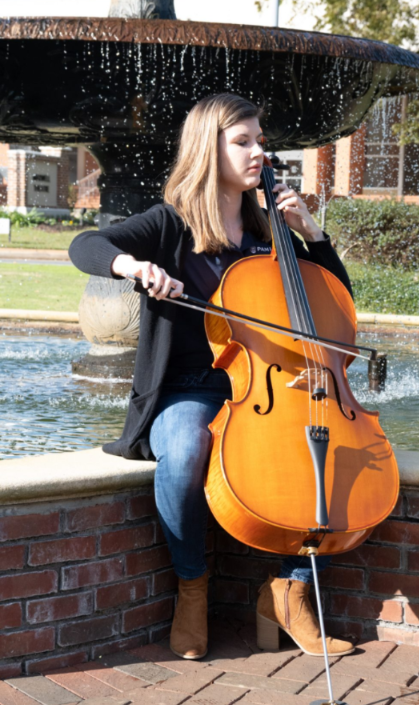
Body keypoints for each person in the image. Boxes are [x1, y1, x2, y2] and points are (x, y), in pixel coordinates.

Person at [69, 93, 355, 661]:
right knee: (183, 450)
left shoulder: (268, 224)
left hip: (275, 381)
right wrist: (134, 265)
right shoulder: (170, 223)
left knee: (320, 451)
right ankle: (192, 587)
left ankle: (290, 593)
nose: (259, 153)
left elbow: (337, 303)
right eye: (243, 141)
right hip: (191, 384)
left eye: (260, 141)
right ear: (209, 148)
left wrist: (311, 232)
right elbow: (87, 245)